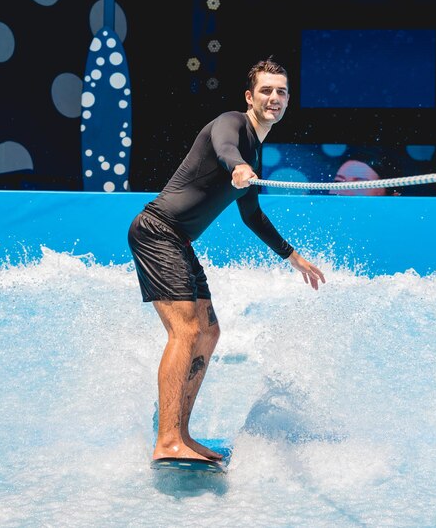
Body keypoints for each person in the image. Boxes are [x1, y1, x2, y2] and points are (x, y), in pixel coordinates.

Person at [127, 57, 326, 462]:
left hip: (178, 241)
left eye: (282, 91)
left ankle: (180, 432)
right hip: (157, 232)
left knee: (209, 332)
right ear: (250, 97)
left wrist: (293, 256)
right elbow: (224, 148)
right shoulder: (232, 124)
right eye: (266, 90)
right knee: (185, 331)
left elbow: (251, 214)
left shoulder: (257, 150)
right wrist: (236, 167)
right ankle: (166, 440)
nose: (275, 97)